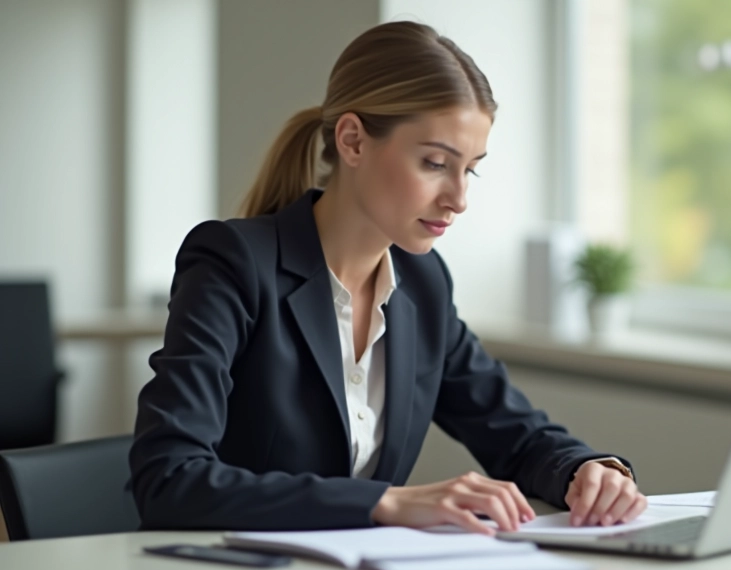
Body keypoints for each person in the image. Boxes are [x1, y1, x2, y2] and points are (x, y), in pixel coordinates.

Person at [129, 21, 647, 536]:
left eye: (471, 169)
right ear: (353, 141)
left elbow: (515, 432)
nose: (458, 198)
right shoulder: (233, 262)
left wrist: (585, 470)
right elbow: (169, 479)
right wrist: (385, 502)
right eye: (435, 163)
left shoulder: (422, 283)